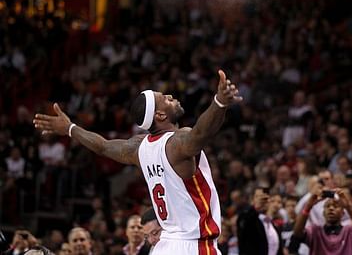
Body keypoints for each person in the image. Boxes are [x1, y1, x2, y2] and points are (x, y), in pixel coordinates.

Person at [34, 70, 242, 255]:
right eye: (165, 99)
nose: (171, 96)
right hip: (193, 245)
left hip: (164, 246)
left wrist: (70, 128)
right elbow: (201, 133)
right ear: (160, 115)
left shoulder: (138, 147)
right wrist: (220, 103)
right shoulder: (177, 141)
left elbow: (103, 146)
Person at [292, 188, 352, 255]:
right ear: (323, 213)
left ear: (343, 213)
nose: (331, 208)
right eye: (327, 206)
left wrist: (348, 207)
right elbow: (297, 233)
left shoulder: (349, 231)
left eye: (335, 206)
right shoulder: (315, 231)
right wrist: (308, 206)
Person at [237, 187, 284, 255]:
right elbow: (245, 222)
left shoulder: (274, 227)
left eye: (265, 198)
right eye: (258, 197)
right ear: (252, 200)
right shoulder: (246, 219)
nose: (262, 201)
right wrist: (255, 208)